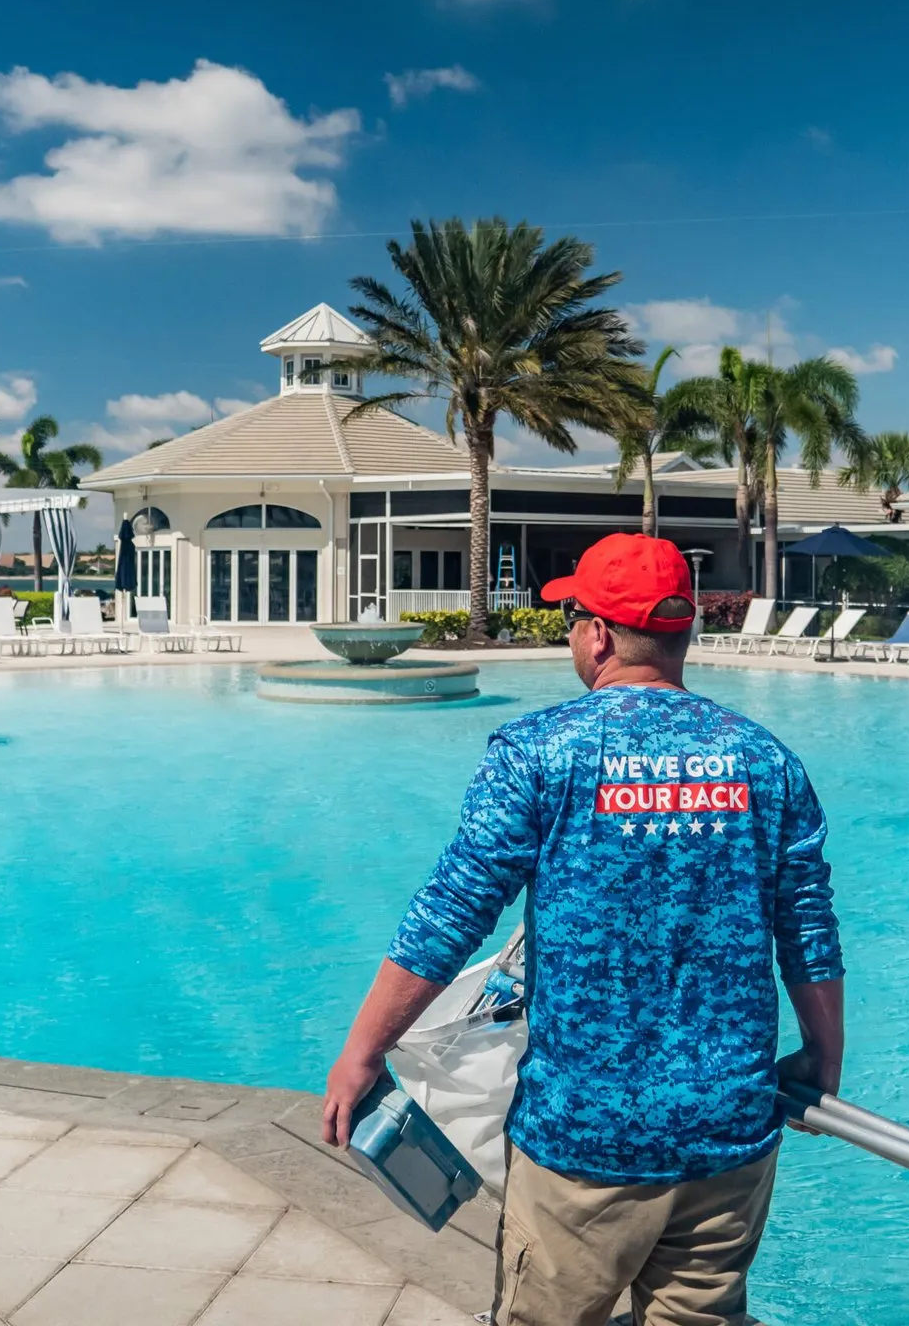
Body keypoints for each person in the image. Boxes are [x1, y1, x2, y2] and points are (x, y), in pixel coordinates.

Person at [322, 533, 844, 1326]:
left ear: (598, 634)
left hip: (583, 1141)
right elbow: (806, 924)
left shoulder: (541, 753)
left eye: (572, 617)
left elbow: (453, 909)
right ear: (682, 632)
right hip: (727, 1130)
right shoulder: (764, 761)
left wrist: (364, 1050)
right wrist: (823, 1053)